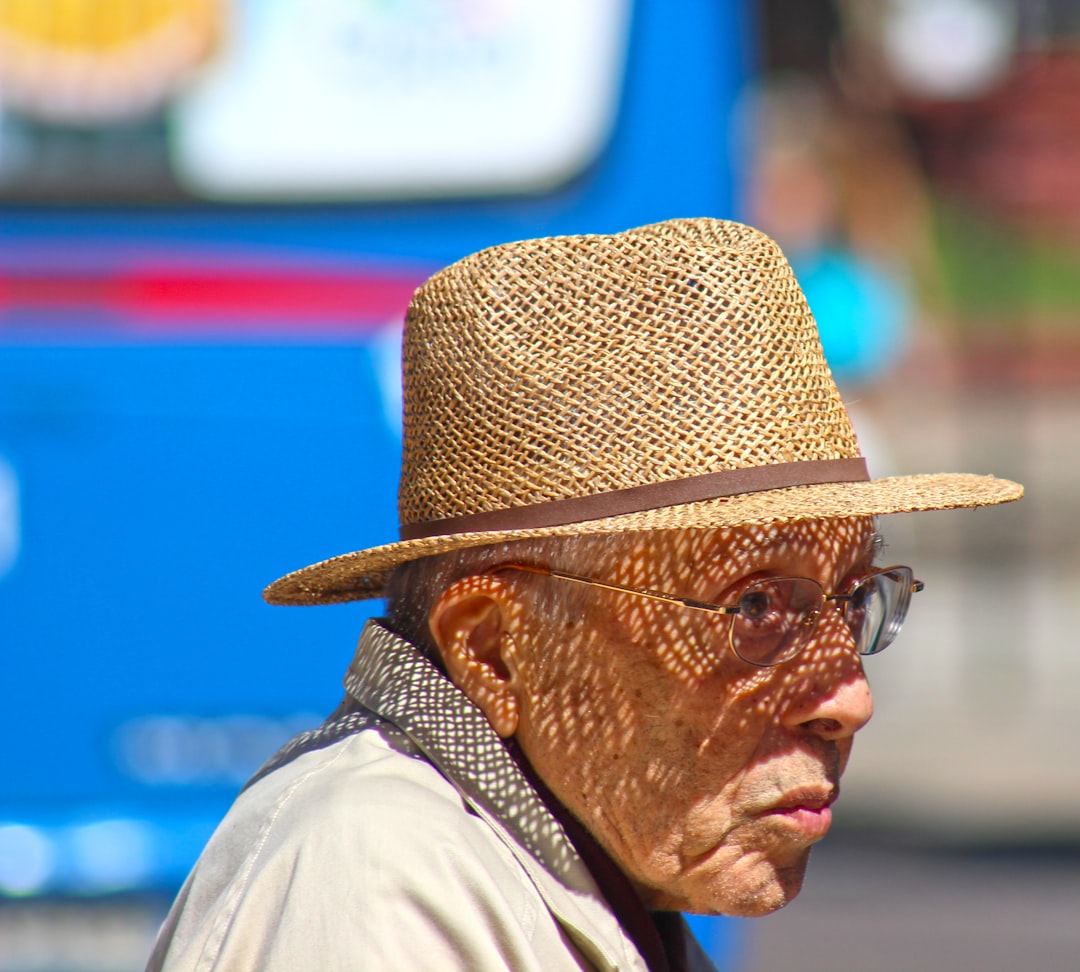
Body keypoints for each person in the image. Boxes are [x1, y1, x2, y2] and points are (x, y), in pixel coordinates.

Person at [147, 218, 1022, 971]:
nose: (850, 699)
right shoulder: (374, 882)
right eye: (755, 609)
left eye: (855, 595)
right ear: (493, 648)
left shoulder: (575, 868)